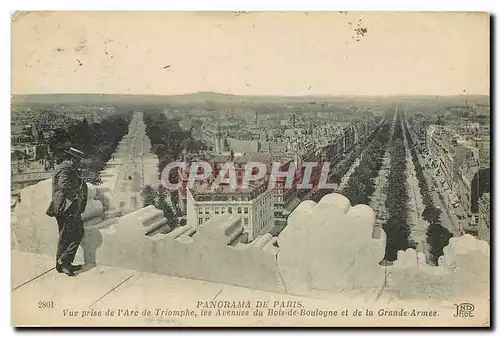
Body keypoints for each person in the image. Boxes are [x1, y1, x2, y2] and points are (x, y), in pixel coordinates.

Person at [46, 147, 88, 276]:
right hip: (66, 207)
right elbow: (63, 185)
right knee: (68, 236)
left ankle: (63, 263)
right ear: (72, 159)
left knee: (73, 234)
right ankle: (63, 262)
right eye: (78, 160)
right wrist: (75, 197)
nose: (79, 163)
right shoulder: (64, 168)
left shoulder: (68, 168)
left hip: (69, 207)